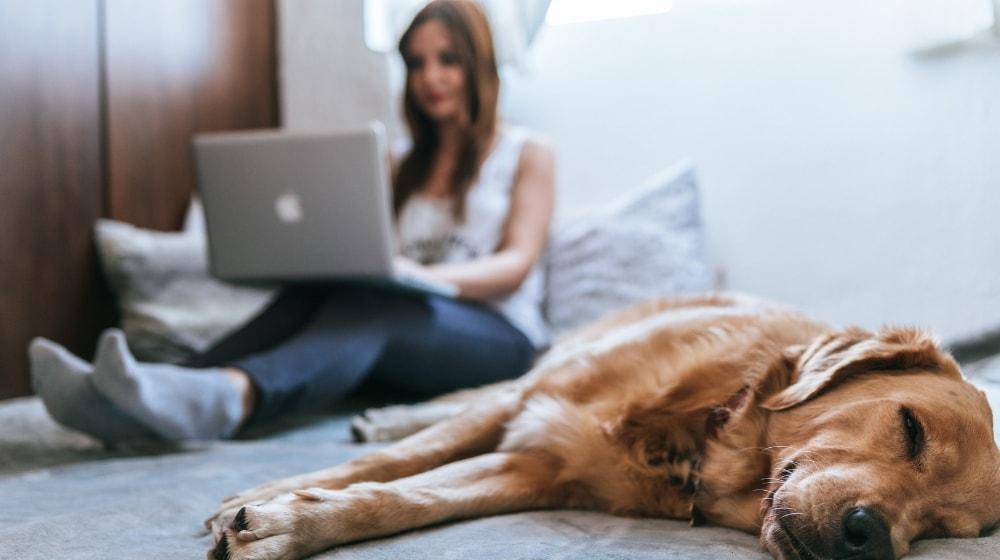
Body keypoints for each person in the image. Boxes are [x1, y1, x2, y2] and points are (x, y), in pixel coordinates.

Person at [28, 0, 555, 442]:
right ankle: (149, 392)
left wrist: (421, 278)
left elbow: (516, 263)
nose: (430, 78)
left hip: (497, 338)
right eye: (416, 63)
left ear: (478, 64)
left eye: (447, 60)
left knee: (378, 304)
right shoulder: (397, 162)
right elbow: (369, 249)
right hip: (403, 318)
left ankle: (233, 396)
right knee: (325, 296)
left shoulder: (526, 151)